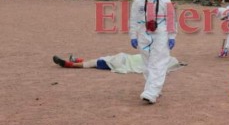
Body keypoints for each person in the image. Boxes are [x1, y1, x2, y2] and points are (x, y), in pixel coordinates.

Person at [129, 0, 176, 104]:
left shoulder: (165, 0)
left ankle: (151, 92)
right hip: (143, 34)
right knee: (147, 63)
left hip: (161, 33)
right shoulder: (138, 1)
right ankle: (155, 89)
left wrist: (172, 36)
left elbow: (171, 19)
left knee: (159, 62)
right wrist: (133, 36)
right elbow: (133, 19)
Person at [52, 53, 185, 74]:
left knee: (98, 62)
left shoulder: (156, 63)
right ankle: (77, 61)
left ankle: (70, 64)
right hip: (126, 58)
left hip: (124, 61)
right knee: (103, 59)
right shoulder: (155, 59)